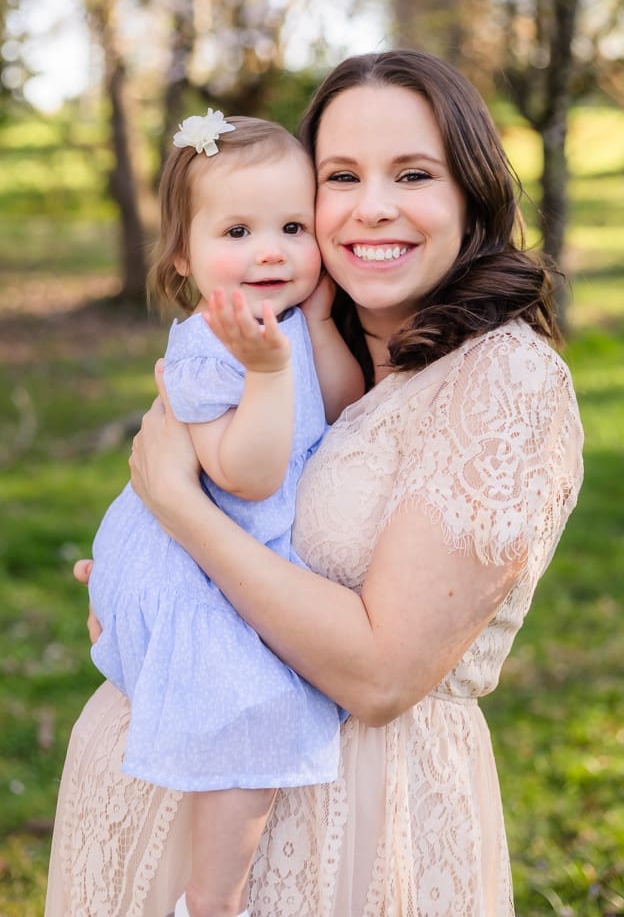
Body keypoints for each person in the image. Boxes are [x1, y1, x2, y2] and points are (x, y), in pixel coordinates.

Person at [45, 49, 584, 917]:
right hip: (155, 783)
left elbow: (378, 675)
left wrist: (182, 517)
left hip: (355, 828)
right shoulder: (294, 334)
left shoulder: (502, 382)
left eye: (412, 173)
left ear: (472, 194)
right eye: (342, 176)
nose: (372, 206)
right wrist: (145, 589)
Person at [84, 112, 363, 917]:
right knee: (252, 713)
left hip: (223, 553)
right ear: (184, 255)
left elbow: (341, 403)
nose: (269, 250)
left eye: (292, 227)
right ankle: (212, 901)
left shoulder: (288, 325)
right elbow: (244, 474)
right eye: (237, 230)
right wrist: (269, 370)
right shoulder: (209, 347)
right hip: (188, 562)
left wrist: (311, 325)